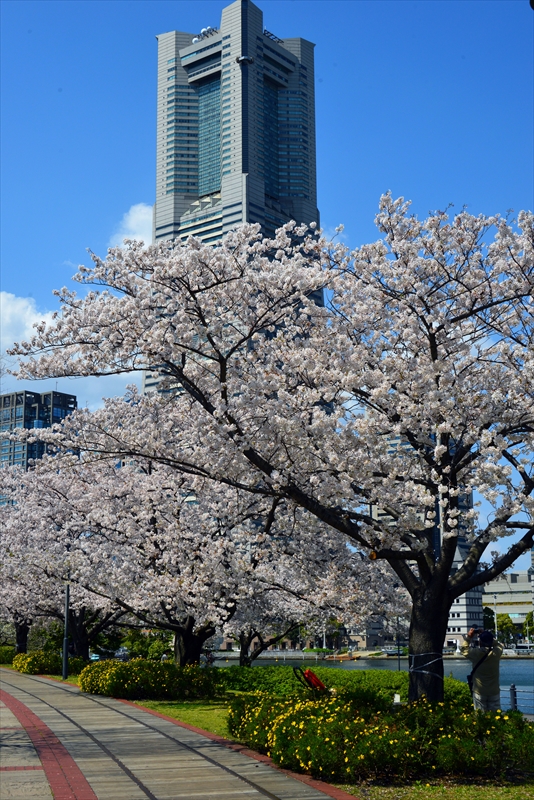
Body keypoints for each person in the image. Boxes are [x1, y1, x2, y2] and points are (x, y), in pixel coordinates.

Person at [461, 627, 503, 712]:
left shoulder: (476, 653)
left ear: (480, 642)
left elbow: (464, 649)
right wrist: (488, 635)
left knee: (480, 716)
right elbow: (499, 645)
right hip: (494, 691)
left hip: (479, 691)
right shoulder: (496, 653)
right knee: (495, 716)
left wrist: (469, 637)